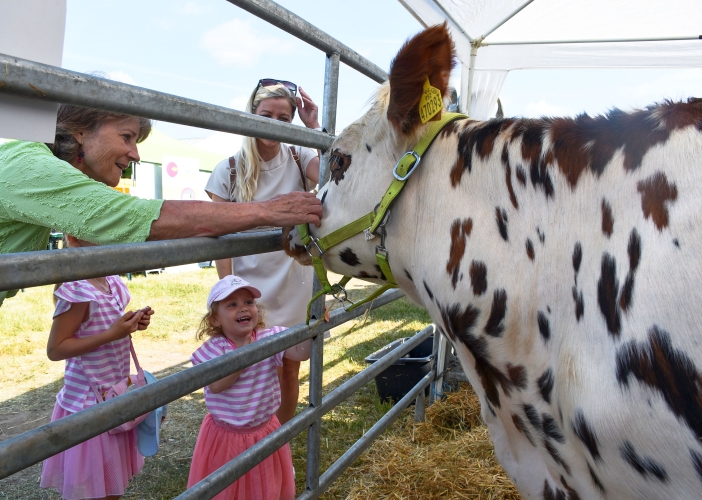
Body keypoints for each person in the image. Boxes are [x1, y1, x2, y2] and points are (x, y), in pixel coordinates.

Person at [0, 104, 322, 306]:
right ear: (81, 130)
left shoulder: (32, 163)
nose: (136, 154)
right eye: (127, 137)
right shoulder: (30, 167)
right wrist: (266, 210)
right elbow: (141, 219)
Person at [205, 79, 320, 424]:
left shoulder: (302, 157)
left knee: (288, 372)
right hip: (250, 289)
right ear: (251, 116)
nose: (274, 124)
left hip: (294, 282)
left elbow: (337, 176)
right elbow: (219, 241)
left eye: (284, 119)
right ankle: (246, 435)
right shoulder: (228, 170)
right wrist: (228, 293)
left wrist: (315, 129)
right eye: (266, 115)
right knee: (249, 370)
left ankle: (276, 443)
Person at [40, 234, 155, 500]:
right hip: (87, 405)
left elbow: (106, 327)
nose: (112, 235)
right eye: (101, 230)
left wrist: (131, 323)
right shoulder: (78, 288)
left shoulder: (110, 280)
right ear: (74, 238)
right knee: (90, 492)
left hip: (113, 396)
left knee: (109, 488)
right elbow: (56, 349)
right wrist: (112, 334)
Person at [187, 275, 296, 500]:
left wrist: (313, 324)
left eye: (248, 302)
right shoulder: (213, 349)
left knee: (264, 485)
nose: (243, 308)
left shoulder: (269, 338)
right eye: (232, 304)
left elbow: (300, 352)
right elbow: (217, 385)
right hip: (227, 436)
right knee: (227, 488)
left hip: (265, 429)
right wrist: (247, 354)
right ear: (215, 320)